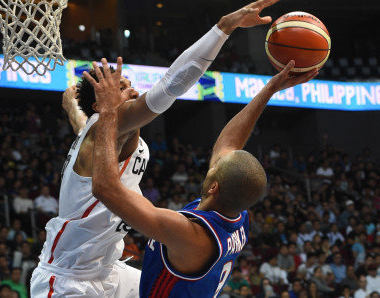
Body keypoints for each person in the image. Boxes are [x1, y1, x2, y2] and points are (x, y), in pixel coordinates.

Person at [29, 0, 290, 298]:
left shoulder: (102, 134)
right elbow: (171, 84)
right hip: (68, 277)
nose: (133, 91)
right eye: (120, 89)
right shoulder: (106, 126)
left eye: (128, 84)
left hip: (108, 269)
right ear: (104, 106)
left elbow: (85, 130)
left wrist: (73, 109)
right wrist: (223, 27)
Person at [87, 35, 317, 296]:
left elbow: (105, 188)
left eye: (215, 166)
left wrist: (107, 112)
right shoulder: (237, 212)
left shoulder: (190, 235)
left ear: (214, 186)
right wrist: (270, 89)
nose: (214, 160)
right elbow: (229, 143)